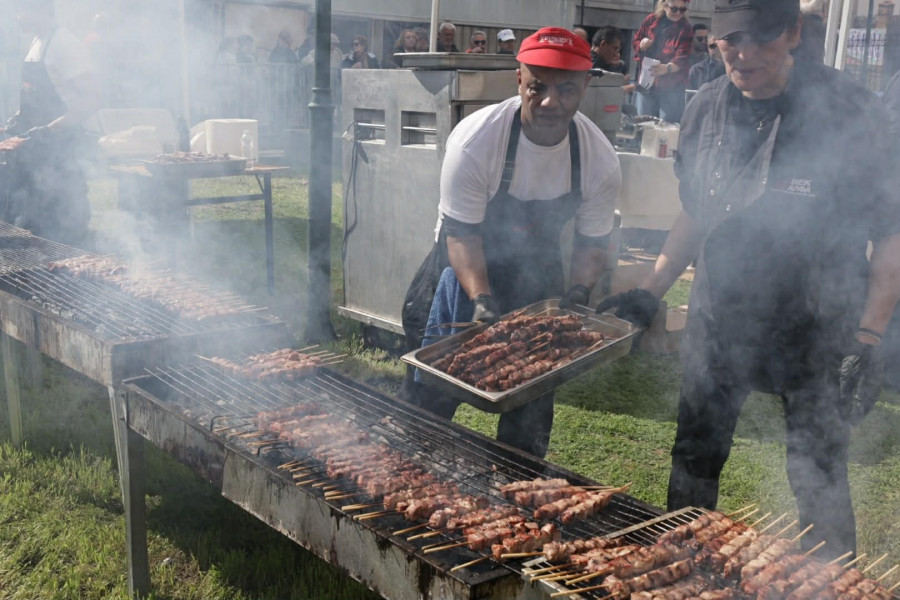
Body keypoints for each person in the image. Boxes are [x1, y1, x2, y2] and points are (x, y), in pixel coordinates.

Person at [599, 0, 900, 560]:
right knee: (694, 455)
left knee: (818, 469)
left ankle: (832, 583)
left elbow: (889, 232)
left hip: (819, 323)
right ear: (714, 40)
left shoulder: (849, 111)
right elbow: (697, 210)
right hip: (721, 318)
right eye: (731, 40)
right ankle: (681, 571)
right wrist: (653, 288)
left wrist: (869, 335)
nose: (744, 54)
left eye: (761, 39)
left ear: (792, 33)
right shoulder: (706, 108)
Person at [401, 27, 621, 458]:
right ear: (518, 79)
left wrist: (577, 293)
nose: (549, 102)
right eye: (537, 86)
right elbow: (462, 236)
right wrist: (482, 301)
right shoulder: (476, 142)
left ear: (586, 87)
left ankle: (515, 482)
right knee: (427, 408)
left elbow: (593, 243)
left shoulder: (598, 158)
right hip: (461, 272)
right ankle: (409, 467)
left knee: (530, 414)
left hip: (535, 280)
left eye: (566, 89)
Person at [0, 0, 99, 246]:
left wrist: (48, 131)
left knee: (63, 225)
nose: (17, 18)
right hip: (35, 154)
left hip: (62, 152)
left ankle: (72, 276)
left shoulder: (66, 45)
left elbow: (93, 99)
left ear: (38, 11)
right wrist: (12, 126)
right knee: (32, 223)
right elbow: (31, 100)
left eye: (20, 11)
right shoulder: (36, 43)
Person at [633, 0, 693, 122]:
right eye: (674, 9)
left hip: (672, 88)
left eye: (682, 10)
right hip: (646, 83)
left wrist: (667, 68)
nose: (678, 13)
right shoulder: (651, 20)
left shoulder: (685, 28)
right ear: (664, 5)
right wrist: (641, 45)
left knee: (668, 129)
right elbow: (636, 41)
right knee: (643, 126)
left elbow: (683, 58)